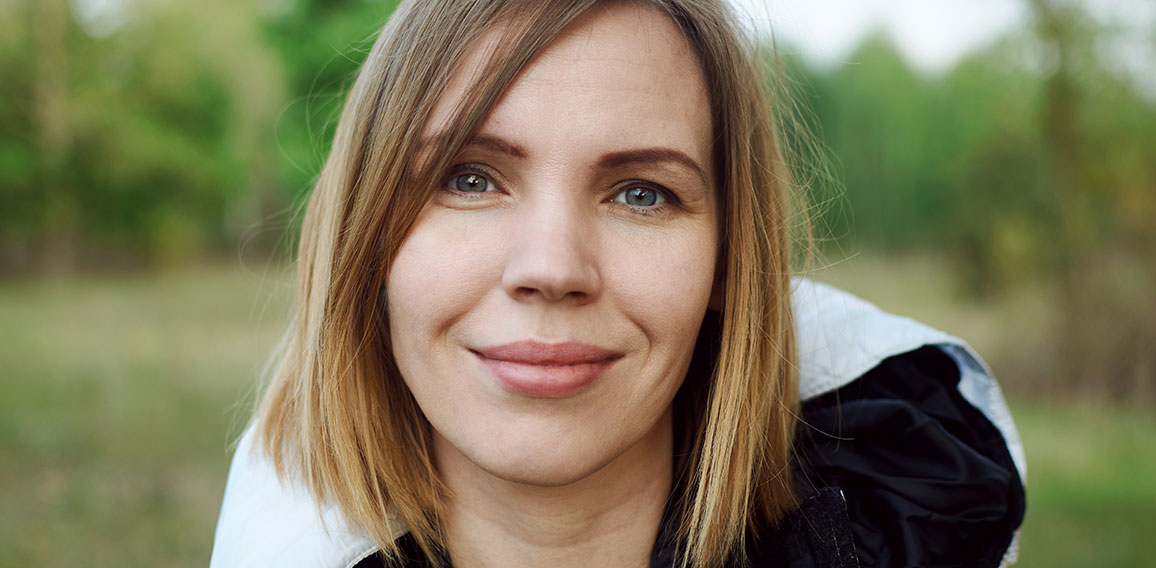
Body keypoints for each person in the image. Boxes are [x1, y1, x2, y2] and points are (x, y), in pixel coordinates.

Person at [210, 1, 1025, 567]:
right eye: (468, 178)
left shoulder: (908, 521)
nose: (552, 269)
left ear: (727, 262)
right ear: (368, 237)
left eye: (642, 192)